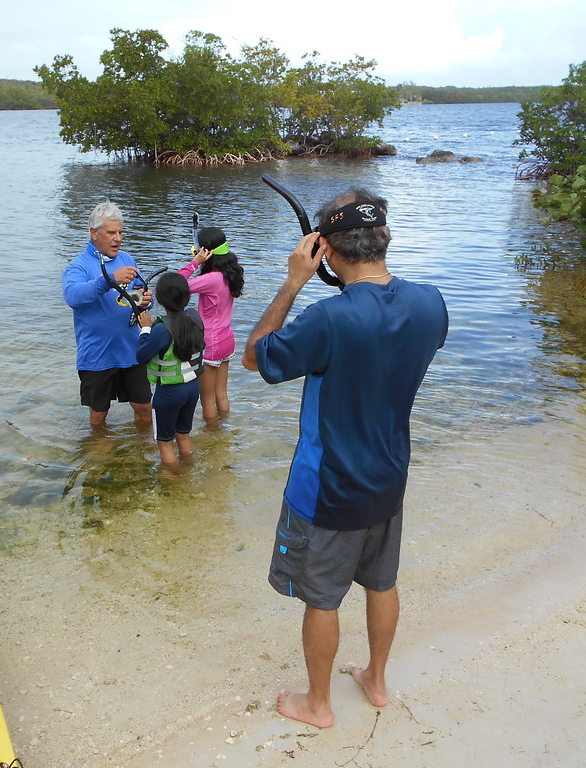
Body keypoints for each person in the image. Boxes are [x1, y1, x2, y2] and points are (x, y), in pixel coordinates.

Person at [242, 188, 448, 728]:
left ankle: (318, 705)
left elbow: (253, 357)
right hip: (389, 476)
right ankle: (376, 681)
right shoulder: (431, 303)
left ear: (326, 250)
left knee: (322, 598)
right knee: (382, 581)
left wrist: (292, 282)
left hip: (328, 487)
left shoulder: (327, 318)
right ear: (384, 238)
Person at [62, 201, 153, 427]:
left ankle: (144, 452)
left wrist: (147, 301)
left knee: (144, 409)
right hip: (97, 356)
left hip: (131, 352)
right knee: (99, 416)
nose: (118, 238)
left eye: (120, 232)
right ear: (94, 233)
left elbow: (141, 297)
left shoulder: (127, 259)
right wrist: (108, 280)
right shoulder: (78, 266)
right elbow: (72, 297)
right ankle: (100, 458)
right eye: (111, 232)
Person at [136, 272, 206, 472]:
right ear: (187, 296)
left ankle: (178, 478)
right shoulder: (194, 317)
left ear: (160, 299)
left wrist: (145, 328)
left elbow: (141, 356)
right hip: (192, 387)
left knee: (165, 442)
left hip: (168, 393)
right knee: (184, 434)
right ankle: (189, 469)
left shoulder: (161, 329)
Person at [178, 227, 244, 421]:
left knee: (207, 399)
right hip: (226, 339)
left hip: (210, 343)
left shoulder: (211, 279)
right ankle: (223, 432)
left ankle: (212, 438)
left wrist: (194, 263)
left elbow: (176, 285)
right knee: (221, 394)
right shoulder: (230, 273)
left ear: (205, 252)